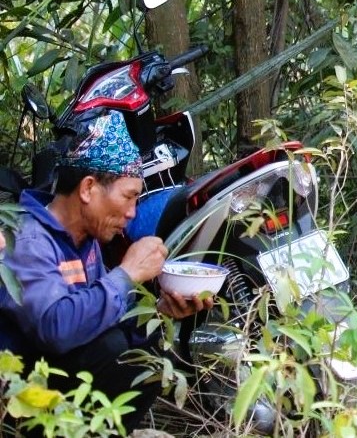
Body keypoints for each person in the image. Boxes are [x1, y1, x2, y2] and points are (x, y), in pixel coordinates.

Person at [1, 114, 216, 417]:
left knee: (150, 348)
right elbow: (55, 327)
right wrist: (126, 274)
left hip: (60, 382)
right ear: (88, 189)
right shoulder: (27, 239)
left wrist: (159, 311)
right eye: (129, 197)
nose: (131, 213)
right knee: (113, 349)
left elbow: (103, 312)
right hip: (19, 397)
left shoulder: (87, 241)